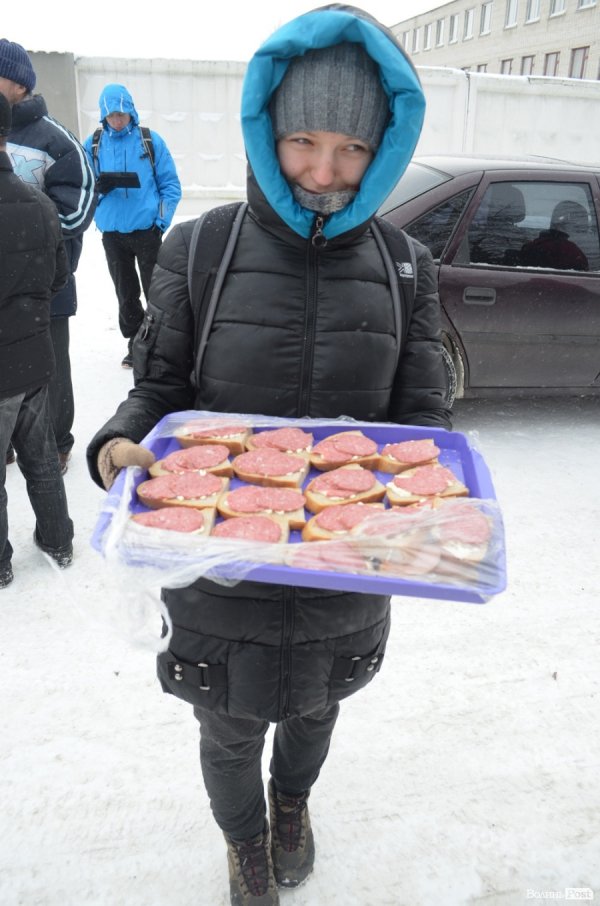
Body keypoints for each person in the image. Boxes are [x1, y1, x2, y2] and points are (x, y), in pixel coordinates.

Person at [87, 6, 452, 904]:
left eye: (352, 150)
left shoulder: (407, 266)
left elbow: (422, 421)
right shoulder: (200, 249)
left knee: (318, 711)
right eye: (302, 140)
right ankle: (245, 841)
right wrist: (115, 443)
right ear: (265, 132)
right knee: (227, 726)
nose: (325, 172)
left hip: (343, 564)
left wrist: (438, 498)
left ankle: (292, 807)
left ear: (385, 148)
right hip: (220, 566)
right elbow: (160, 388)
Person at [0, 39, 96, 474]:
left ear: (18, 83)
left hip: (45, 283)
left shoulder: (54, 139)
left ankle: (57, 441)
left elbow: (78, 207)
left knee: (49, 369)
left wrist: (26, 230)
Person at [0, 92, 74, 590]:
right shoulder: (38, 202)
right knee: (41, 455)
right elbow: (56, 278)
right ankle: (58, 540)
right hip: (32, 354)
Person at [83, 84, 182, 368]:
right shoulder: (93, 144)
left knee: (157, 292)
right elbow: (80, 185)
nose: (118, 119)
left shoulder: (150, 141)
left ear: (132, 113)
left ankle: (160, 346)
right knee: (126, 293)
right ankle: (135, 344)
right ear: (104, 114)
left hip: (146, 231)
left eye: (123, 114)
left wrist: (159, 223)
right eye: (112, 114)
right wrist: (98, 189)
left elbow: (171, 186)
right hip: (113, 234)